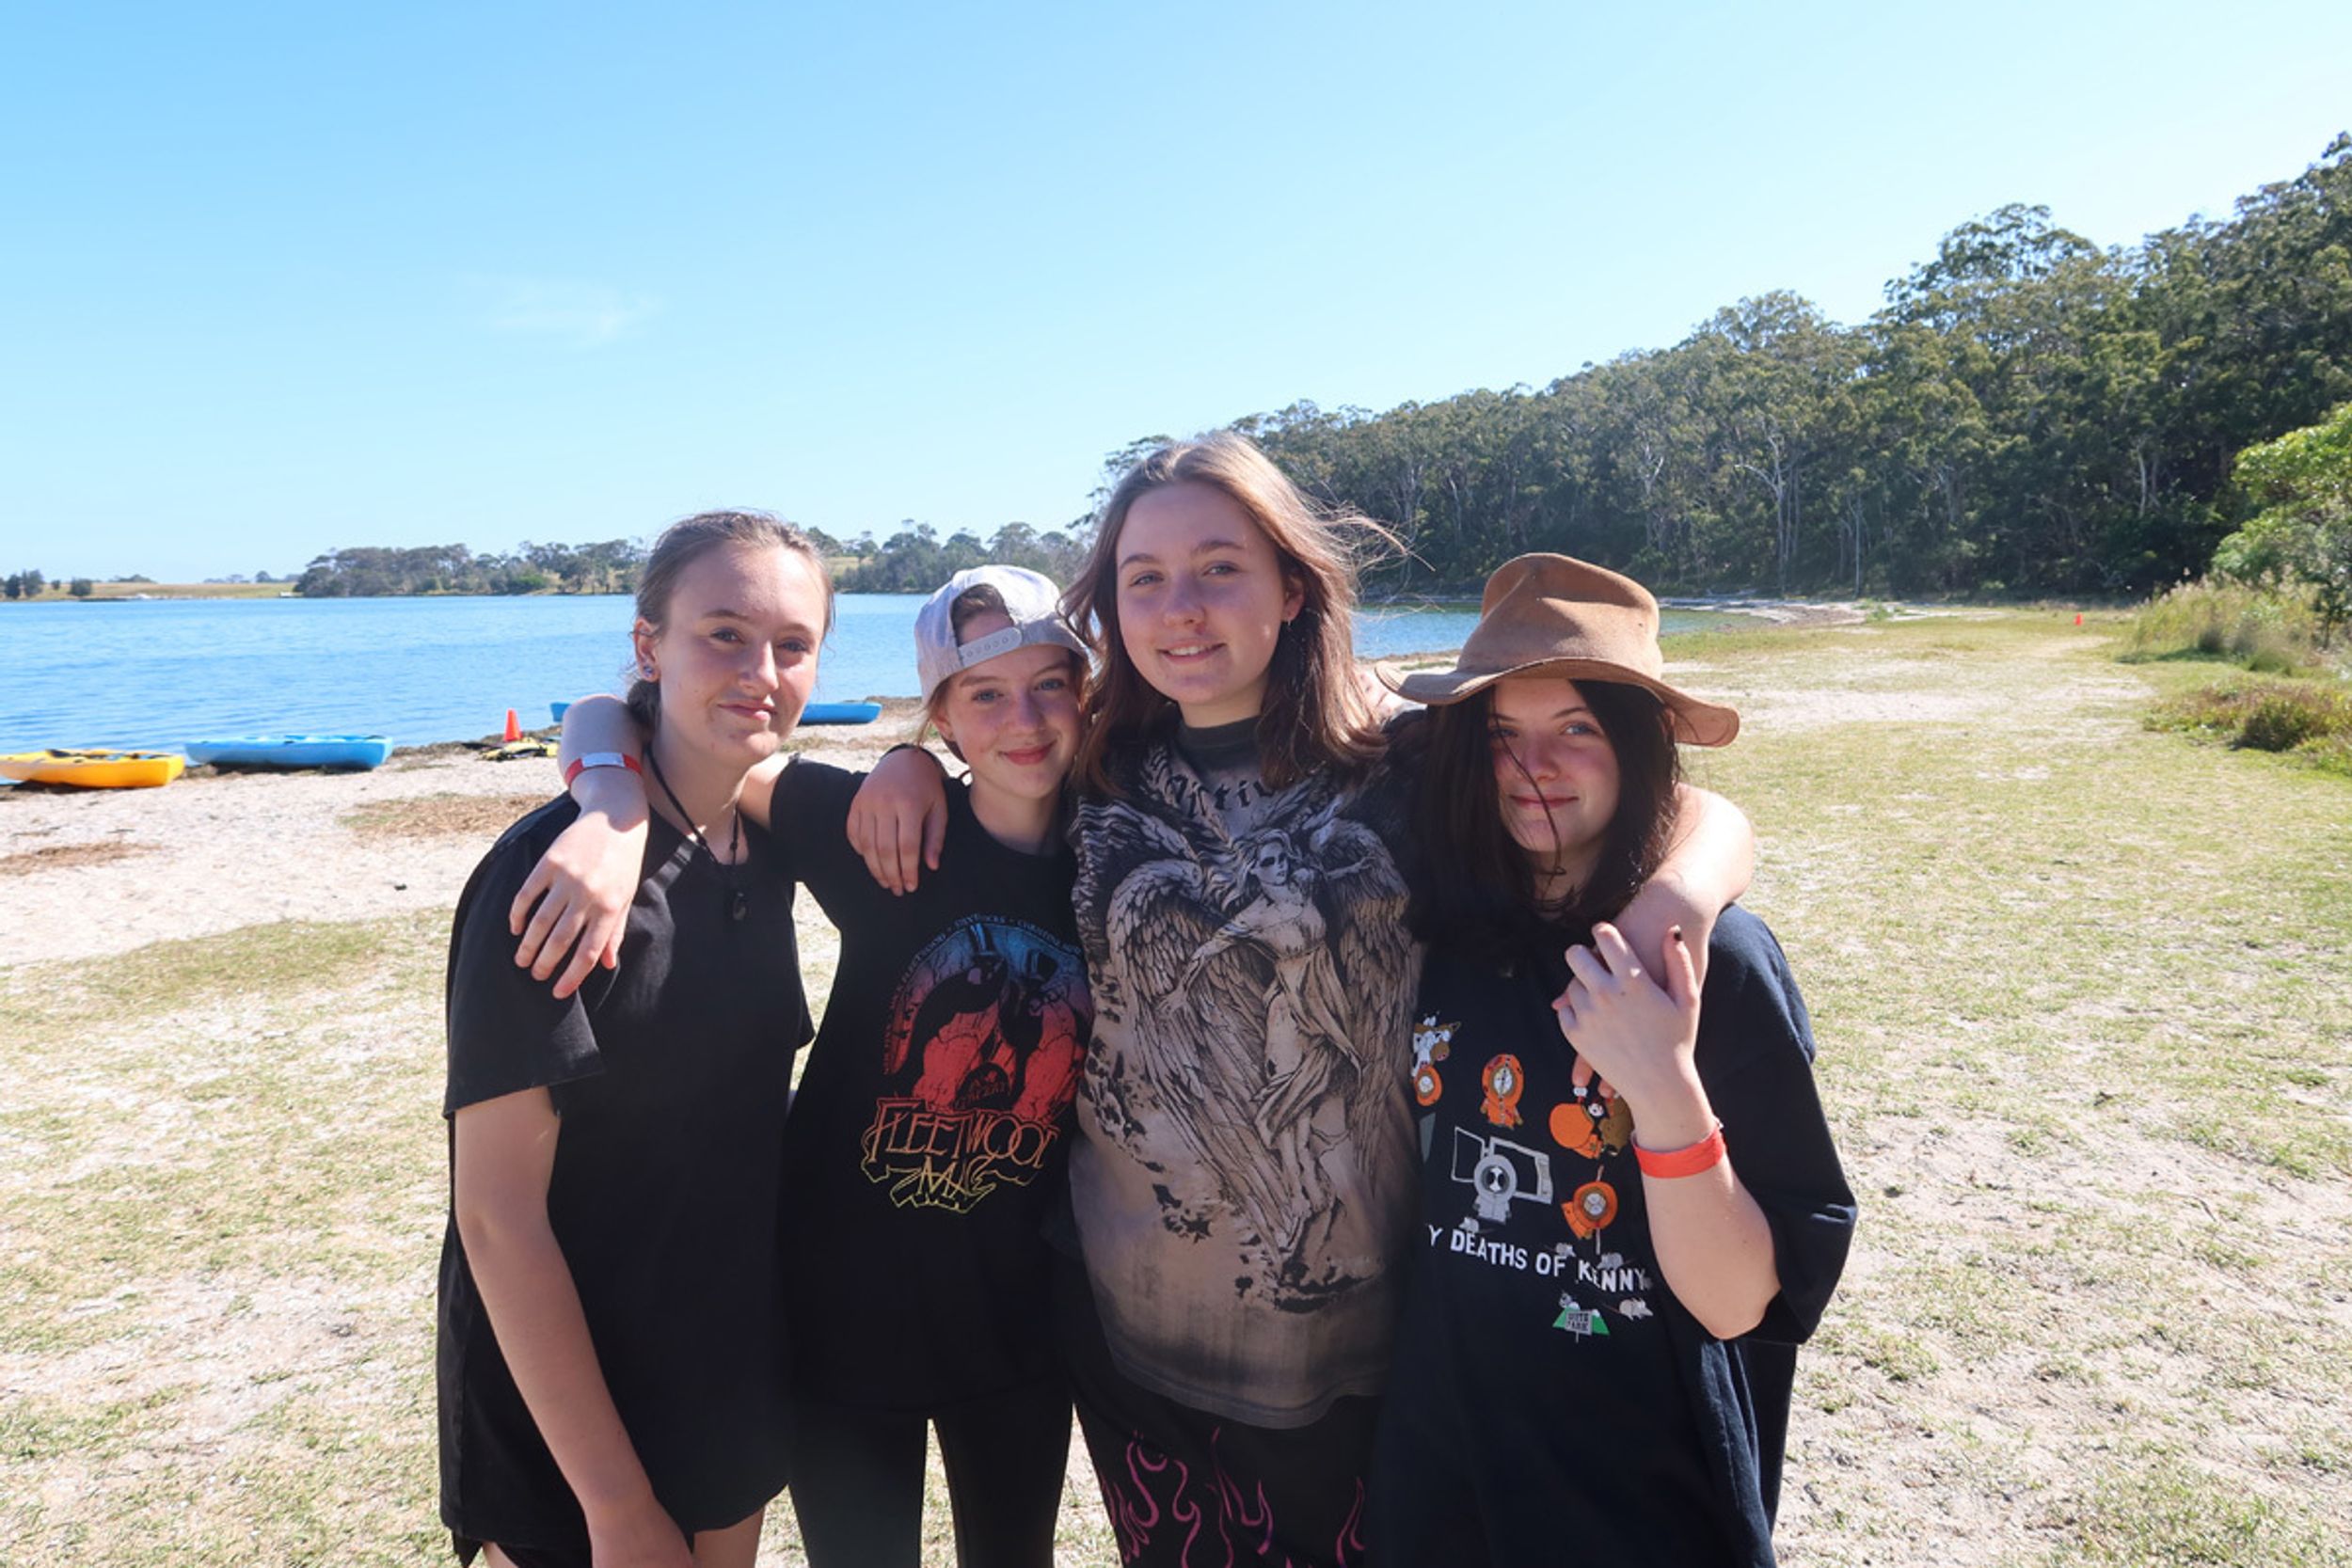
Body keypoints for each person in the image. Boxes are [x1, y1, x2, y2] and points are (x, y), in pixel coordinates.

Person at [846, 434, 1760, 1565]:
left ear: (1290, 587)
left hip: (1367, 1348)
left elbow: (1683, 805)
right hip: (1128, 1336)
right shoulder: (1091, 764)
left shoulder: (1406, 758)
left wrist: (1678, 896)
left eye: (1219, 567)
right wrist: (907, 760)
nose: (1181, 608)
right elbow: (983, 751)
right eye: (1143, 578)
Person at [511, 565, 1097, 1568]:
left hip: (1021, 1320)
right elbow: (627, 716)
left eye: (1051, 684)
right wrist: (607, 797)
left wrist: (903, 758)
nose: (1025, 719)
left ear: (1087, 694)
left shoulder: (1114, 853)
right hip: (839, 1315)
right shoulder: (881, 827)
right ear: (943, 715)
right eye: (986, 694)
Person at [1366, 553, 1856, 1567]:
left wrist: (1663, 1086)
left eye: (1577, 728)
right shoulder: (1445, 923)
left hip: (1637, 1493)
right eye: (1502, 733)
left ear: (1636, 744)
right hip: (1442, 1470)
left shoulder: (1714, 965)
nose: (1531, 765)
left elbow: (1739, 1303)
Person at [437, 510, 830, 1568]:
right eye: (724, 634)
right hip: (565, 1416)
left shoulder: (765, 845)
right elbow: (496, 1217)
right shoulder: (551, 881)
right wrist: (613, 1503)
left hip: (727, 1371)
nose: (761, 671)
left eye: (792, 644)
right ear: (649, 644)